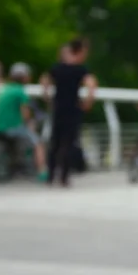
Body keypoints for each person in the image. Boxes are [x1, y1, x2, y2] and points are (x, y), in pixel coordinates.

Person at [45, 38, 97, 187]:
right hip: (73, 108)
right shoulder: (80, 69)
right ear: (80, 51)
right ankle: (64, 177)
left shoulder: (58, 67)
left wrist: (47, 96)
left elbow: (45, 80)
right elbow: (91, 84)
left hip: (58, 107)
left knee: (55, 141)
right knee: (68, 143)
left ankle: (50, 175)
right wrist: (88, 101)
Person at [0, 63, 47, 181]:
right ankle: (42, 172)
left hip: (0, 127)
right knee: (38, 144)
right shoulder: (20, 92)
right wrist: (30, 124)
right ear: (24, 77)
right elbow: (26, 114)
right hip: (13, 128)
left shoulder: (4, 89)